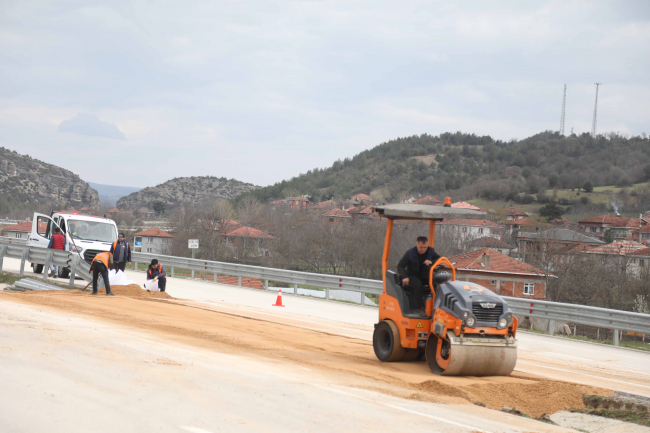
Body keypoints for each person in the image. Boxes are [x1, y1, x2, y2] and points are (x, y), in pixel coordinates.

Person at [397, 236, 441, 315]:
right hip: (412, 276)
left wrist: (431, 262)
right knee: (417, 284)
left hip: (424, 275)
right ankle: (422, 308)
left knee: (436, 281)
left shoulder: (430, 251)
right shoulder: (410, 253)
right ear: (416, 245)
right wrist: (404, 276)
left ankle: (437, 306)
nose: (423, 249)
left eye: (425, 247)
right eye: (421, 247)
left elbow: (438, 258)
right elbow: (400, 266)